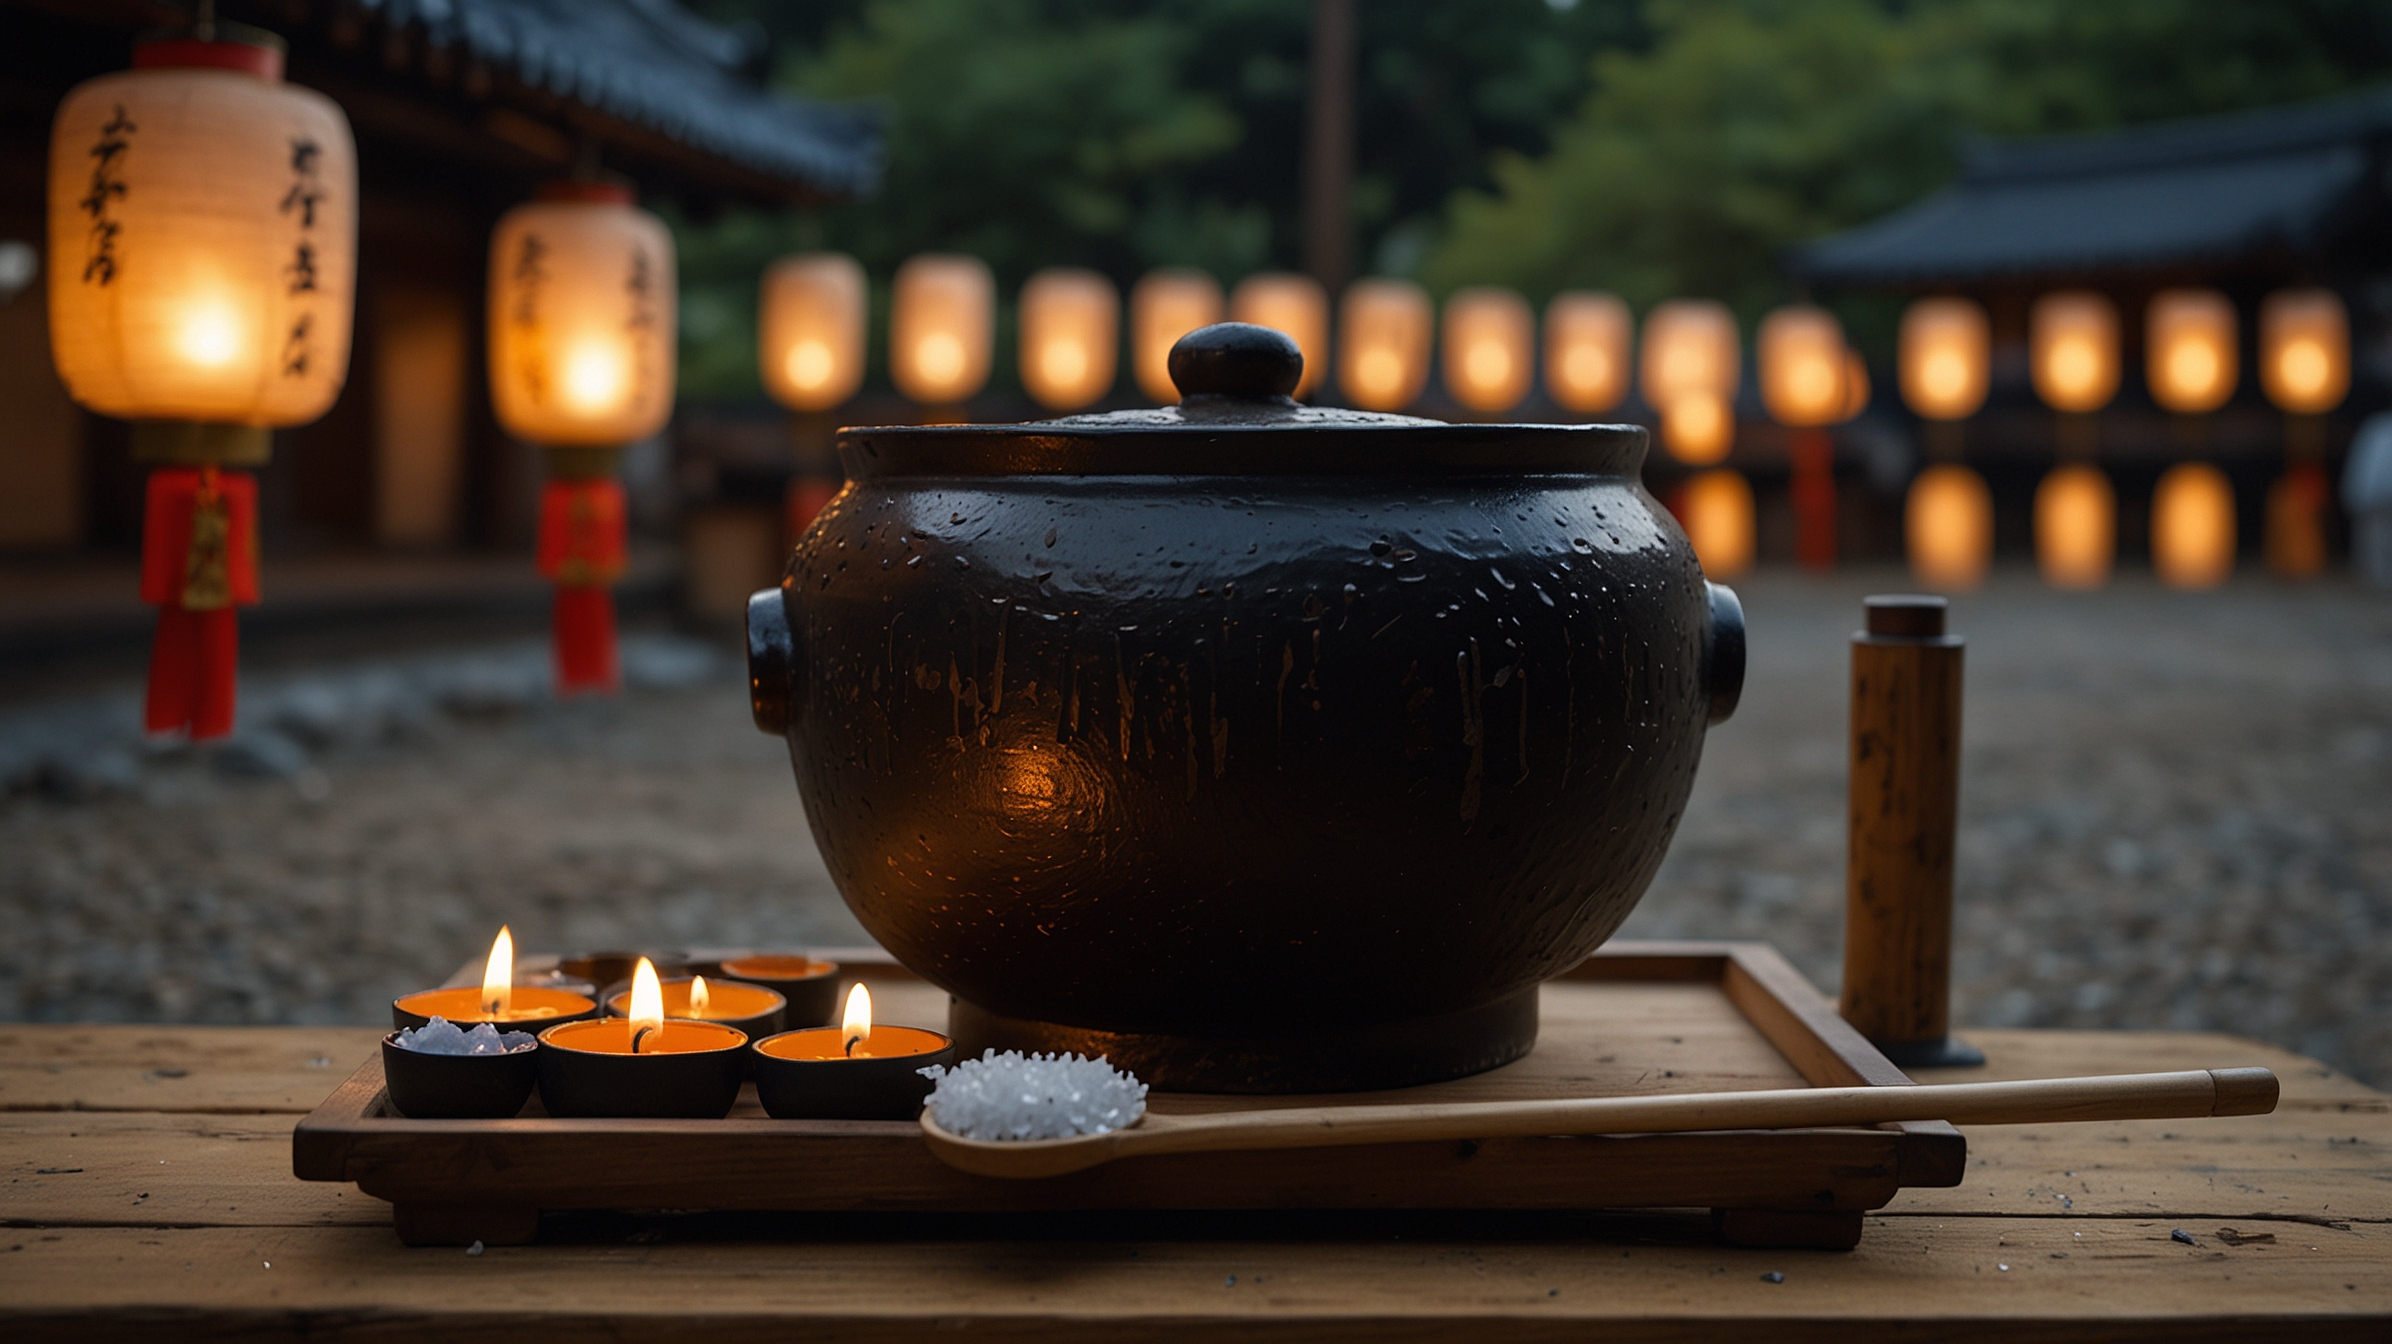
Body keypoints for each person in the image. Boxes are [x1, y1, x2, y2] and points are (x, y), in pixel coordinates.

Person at [2346, 412, 2392, 588]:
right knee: (2375, 545)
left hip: (2375, 496)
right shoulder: (2378, 429)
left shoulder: (2376, 429)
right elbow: (2367, 465)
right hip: (2376, 500)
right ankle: (2379, 585)